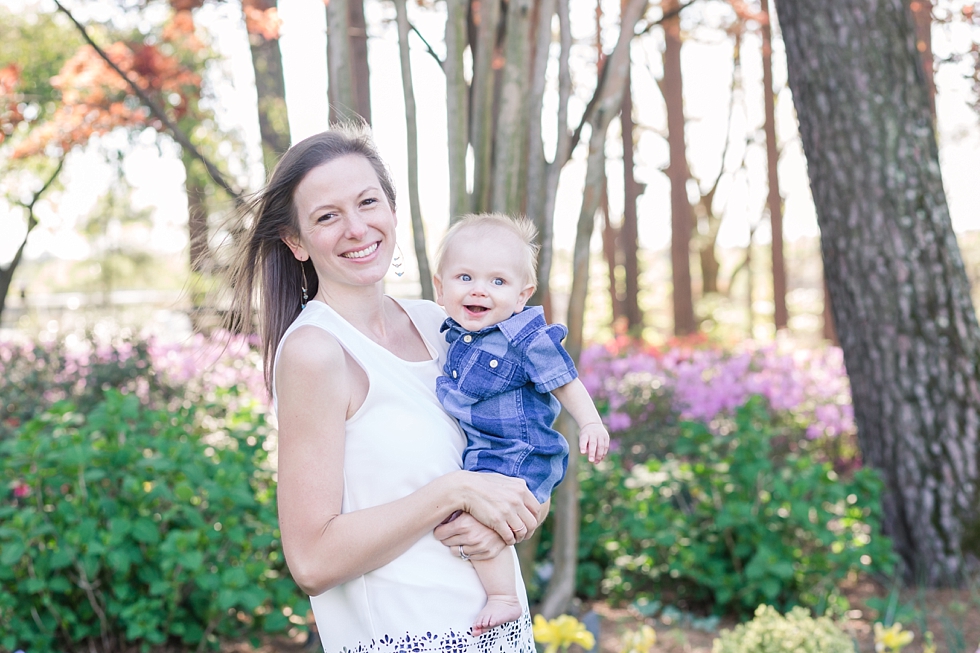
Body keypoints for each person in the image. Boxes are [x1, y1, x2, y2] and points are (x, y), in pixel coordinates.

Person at [227, 126, 542, 653]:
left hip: (502, 635)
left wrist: (512, 518)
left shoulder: (441, 324)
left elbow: (517, 456)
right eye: (327, 216)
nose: (356, 228)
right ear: (296, 242)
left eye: (367, 202)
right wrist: (453, 491)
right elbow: (311, 562)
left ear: (392, 211)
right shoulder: (315, 352)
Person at [433, 213, 610, 635]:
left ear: (521, 295)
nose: (479, 289)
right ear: (440, 288)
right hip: (487, 455)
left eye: (498, 282)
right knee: (466, 515)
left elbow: (564, 381)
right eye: (464, 277)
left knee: (478, 520)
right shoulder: (452, 334)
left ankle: (505, 597)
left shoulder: (526, 337)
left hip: (520, 454)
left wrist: (590, 422)